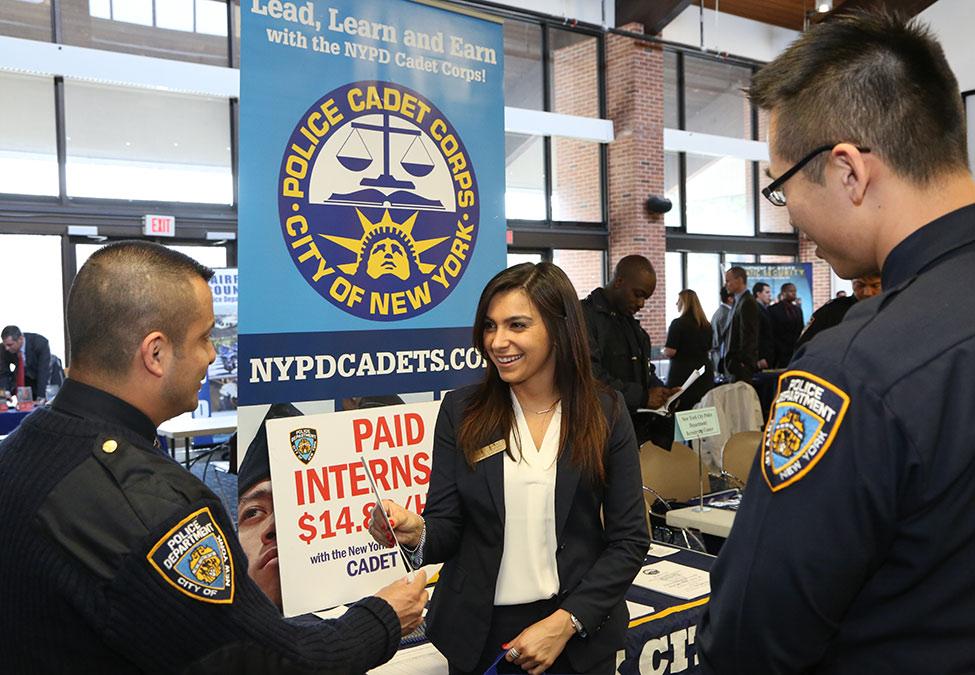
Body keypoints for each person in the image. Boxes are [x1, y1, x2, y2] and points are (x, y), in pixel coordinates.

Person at [698, 11, 975, 674]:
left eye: (780, 186)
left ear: (847, 171)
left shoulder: (855, 369)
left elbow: (749, 637)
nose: (787, 211)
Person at [0, 241, 426, 672]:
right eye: (204, 337)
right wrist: (384, 616)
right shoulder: (157, 508)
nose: (212, 354)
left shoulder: (19, 451)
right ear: (156, 353)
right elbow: (273, 663)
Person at [373, 262, 649, 675]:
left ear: (559, 329)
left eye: (516, 325)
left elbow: (629, 540)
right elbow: (447, 527)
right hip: (482, 635)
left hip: (576, 633)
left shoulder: (604, 411)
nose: (497, 342)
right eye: (489, 326)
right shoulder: (462, 411)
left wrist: (566, 622)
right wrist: (417, 532)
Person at [581, 255, 679, 448]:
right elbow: (591, 378)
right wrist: (643, 397)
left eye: (645, 298)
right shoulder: (584, 317)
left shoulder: (629, 322)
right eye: (638, 294)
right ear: (619, 282)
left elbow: (643, 369)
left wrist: (660, 392)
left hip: (634, 433)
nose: (641, 304)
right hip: (599, 435)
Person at [793, 274, 882, 351]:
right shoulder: (832, 310)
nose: (867, 292)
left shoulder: (892, 308)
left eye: (875, 286)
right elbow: (803, 347)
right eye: (860, 285)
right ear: (852, 283)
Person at [662, 289, 714, 411]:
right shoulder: (706, 325)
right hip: (704, 373)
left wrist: (663, 351)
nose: (676, 304)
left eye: (678, 300)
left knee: (681, 411)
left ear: (684, 303)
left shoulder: (677, 324)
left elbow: (671, 351)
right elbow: (710, 347)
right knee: (702, 409)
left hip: (683, 374)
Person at [722, 266, 759, 382]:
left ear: (739, 280)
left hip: (741, 366)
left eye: (728, 281)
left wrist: (743, 362)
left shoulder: (747, 302)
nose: (726, 284)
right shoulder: (738, 301)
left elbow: (749, 334)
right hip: (734, 365)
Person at [0, 325, 52, 400]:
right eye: (5, 345)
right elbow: (3, 372)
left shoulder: (40, 343)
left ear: (20, 339)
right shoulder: (3, 348)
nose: (7, 348)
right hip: (23, 379)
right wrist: (6, 392)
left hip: (44, 376)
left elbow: (43, 372)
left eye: (10, 345)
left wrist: (41, 397)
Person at [768, 282, 804, 367]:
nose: (794, 293)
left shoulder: (797, 310)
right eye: (791, 291)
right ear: (784, 293)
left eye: (795, 291)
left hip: (795, 350)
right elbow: (772, 331)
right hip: (779, 351)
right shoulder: (773, 309)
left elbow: (800, 328)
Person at [709, 286, 734, 376]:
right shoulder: (726, 314)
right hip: (721, 358)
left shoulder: (721, 312)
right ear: (730, 299)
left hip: (718, 356)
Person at [751, 282, 774, 370]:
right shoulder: (755, 309)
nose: (769, 295)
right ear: (758, 294)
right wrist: (760, 358)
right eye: (767, 292)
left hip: (767, 356)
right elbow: (756, 335)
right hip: (761, 357)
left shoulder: (764, 309)